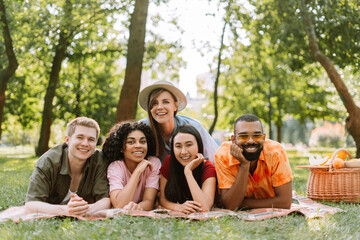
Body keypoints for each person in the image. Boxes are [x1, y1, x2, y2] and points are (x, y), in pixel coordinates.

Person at [25, 117, 111, 216]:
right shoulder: (48, 162)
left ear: (96, 143)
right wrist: (66, 210)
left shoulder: (99, 161)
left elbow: (105, 201)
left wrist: (85, 210)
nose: (85, 143)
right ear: (67, 139)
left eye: (91, 139)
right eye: (80, 137)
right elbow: (31, 205)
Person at [215, 114, 293, 210]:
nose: (251, 141)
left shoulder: (275, 152)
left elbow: (285, 203)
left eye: (256, 136)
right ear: (233, 140)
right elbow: (231, 206)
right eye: (244, 136)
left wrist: (241, 203)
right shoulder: (223, 155)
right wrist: (245, 164)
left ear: (264, 138)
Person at [138, 80, 219, 164]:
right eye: (154, 103)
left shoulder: (194, 127)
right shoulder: (142, 128)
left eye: (166, 102)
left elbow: (216, 158)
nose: (160, 107)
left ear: (175, 106)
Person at [102, 122, 161, 211]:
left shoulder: (153, 163)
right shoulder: (115, 167)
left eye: (143, 141)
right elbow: (119, 205)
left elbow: (149, 202)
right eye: (131, 142)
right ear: (121, 148)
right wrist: (137, 171)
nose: (138, 146)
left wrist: (137, 208)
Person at [159, 125, 216, 213]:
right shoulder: (169, 162)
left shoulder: (208, 168)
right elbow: (163, 199)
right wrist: (178, 207)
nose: (184, 152)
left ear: (198, 145)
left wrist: (188, 171)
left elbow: (205, 208)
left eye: (189, 145)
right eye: (178, 146)